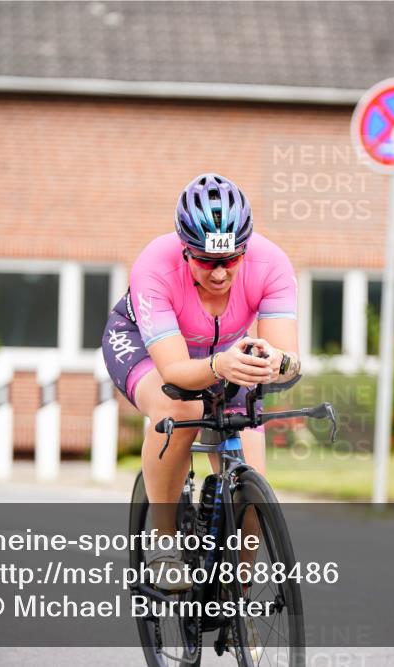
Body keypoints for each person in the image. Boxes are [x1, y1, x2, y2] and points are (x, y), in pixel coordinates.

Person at [102, 173, 302, 591]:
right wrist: (220, 367)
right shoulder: (155, 264)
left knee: (251, 494)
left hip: (227, 355)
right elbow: (175, 372)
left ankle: (235, 600)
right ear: (184, 248)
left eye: (230, 260)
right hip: (143, 346)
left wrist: (276, 363)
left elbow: (287, 357)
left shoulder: (272, 264)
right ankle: (164, 541)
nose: (219, 273)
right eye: (206, 260)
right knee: (181, 407)